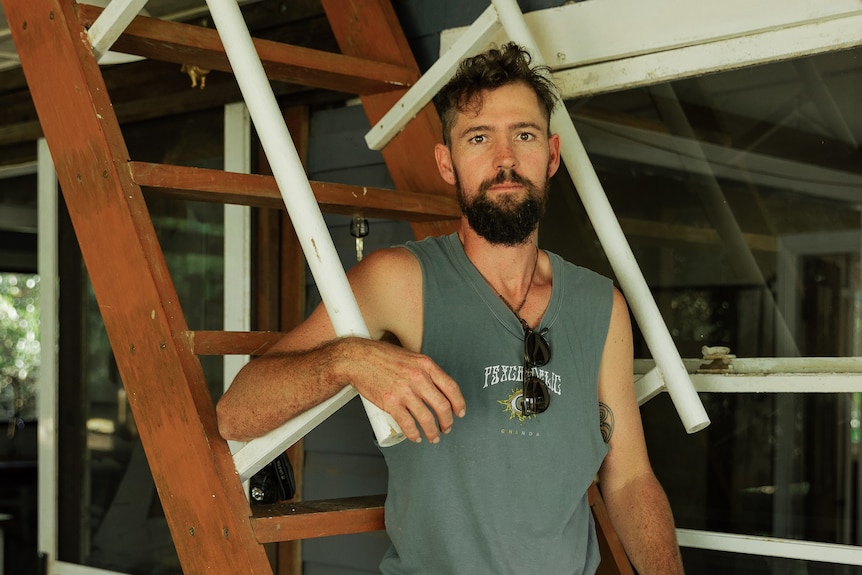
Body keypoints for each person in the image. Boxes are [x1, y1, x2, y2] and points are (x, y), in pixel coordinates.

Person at [217, 42, 685, 575]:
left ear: (551, 155)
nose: (505, 159)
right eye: (478, 137)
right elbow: (237, 412)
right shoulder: (400, 282)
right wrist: (349, 359)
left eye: (524, 135)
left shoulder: (600, 305)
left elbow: (629, 480)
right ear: (447, 162)